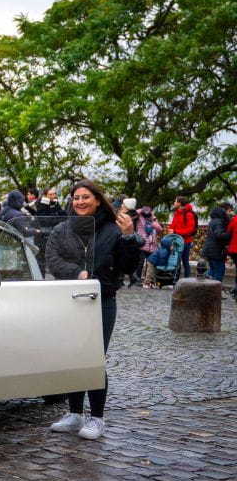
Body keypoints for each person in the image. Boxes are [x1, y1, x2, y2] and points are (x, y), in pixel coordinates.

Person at [45, 179, 141, 440]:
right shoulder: (62, 229)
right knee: (73, 355)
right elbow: (53, 259)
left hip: (102, 300)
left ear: (98, 199)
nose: (80, 202)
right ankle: (75, 413)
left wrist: (129, 237)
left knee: (94, 356)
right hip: (69, 299)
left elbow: (128, 266)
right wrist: (77, 272)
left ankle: (97, 417)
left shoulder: (113, 229)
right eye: (76, 197)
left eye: (86, 197)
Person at [201, 204, 231, 282]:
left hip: (210, 249)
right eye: (229, 211)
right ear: (224, 211)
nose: (230, 213)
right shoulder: (219, 221)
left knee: (212, 270)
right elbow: (219, 234)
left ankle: (205, 286)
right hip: (216, 250)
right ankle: (214, 290)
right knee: (219, 270)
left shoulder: (214, 220)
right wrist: (230, 234)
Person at [168, 196, 197, 278]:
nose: (174, 203)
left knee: (185, 262)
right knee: (176, 261)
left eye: (175, 201)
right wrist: (171, 230)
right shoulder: (177, 213)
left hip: (185, 242)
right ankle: (176, 280)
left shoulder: (188, 214)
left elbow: (190, 230)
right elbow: (173, 225)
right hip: (176, 241)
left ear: (179, 203)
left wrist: (175, 232)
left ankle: (186, 280)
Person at [136, 207, 163, 288]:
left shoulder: (153, 221)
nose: (147, 216)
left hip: (151, 246)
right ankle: (137, 279)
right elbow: (135, 212)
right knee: (139, 263)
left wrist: (153, 220)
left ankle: (147, 280)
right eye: (146, 215)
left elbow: (159, 229)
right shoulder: (139, 219)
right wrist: (142, 210)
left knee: (149, 265)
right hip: (142, 245)